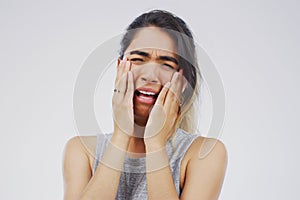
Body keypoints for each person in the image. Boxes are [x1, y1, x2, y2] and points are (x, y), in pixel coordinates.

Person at [63, 10, 227, 200]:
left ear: (182, 83)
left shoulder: (204, 154)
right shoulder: (82, 151)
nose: (149, 75)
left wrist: (155, 143)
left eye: (166, 64)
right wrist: (120, 135)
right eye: (138, 60)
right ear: (120, 68)